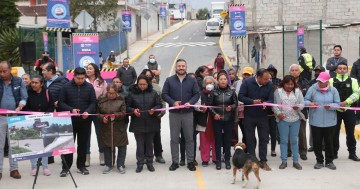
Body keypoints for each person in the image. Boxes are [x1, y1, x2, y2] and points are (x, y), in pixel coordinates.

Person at [162, 59, 200, 172]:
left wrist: (191, 103)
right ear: (176, 67)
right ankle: (175, 162)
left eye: (183, 66)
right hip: (174, 114)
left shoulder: (192, 81)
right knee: (174, 139)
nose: (181, 68)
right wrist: (173, 102)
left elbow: (197, 94)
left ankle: (190, 161)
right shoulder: (169, 80)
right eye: (179, 66)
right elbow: (164, 94)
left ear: (186, 67)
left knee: (189, 138)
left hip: (188, 113)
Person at [58, 67, 96, 176]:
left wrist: (87, 112)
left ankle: (81, 166)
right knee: (68, 144)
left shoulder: (89, 87)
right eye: (78, 78)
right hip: (69, 120)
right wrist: (71, 110)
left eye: (82, 78)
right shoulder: (66, 87)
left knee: (83, 144)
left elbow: (93, 103)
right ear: (73, 76)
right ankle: (65, 167)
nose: (80, 80)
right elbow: (61, 102)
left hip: (84, 120)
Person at [238, 68, 273, 171]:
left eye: (268, 79)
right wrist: (251, 101)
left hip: (263, 116)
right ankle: (253, 160)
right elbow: (240, 96)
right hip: (249, 116)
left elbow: (271, 99)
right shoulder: (247, 82)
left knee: (263, 138)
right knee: (250, 139)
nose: (267, 81)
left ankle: (263, 161)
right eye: (265, 79)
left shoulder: (269, 85)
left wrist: (267, 103)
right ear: (258, 77)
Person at [304, 72, 340, 170]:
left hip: (330, 122)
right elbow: (305, 100)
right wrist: (310, 103)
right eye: (319, 81)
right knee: (317, 142)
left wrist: (330, 106)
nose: (320, 83)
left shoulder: (333, 90)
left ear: (327, 82)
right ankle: (319, 161)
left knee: (329, 142)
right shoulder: (312, 89)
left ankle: (329, 161)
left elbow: (338, 104)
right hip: (315, 121)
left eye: (322, 82)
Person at [127, 75, 162, 173]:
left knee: (150, 144)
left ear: (148, 84)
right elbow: (126, 107)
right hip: (138, 123)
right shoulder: (131, 94)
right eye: (140, 84)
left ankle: (150, 163)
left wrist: (154, 110)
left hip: (151, 122)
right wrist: (133, 110)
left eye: (144, 84)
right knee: (140, 145)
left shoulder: (154, 93)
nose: (142, 86)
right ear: (137, 84)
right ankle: (140, 163)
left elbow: (159, 104)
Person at [0, 60, 28, 180]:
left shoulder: (18, 81)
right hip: (0, 118)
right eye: (0, 71)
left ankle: (14, 169)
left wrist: (21, 105)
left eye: (4, 71)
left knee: (14, 145)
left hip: (15, 117)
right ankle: (0, 170)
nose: (2, 74)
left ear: (10, 70)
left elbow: (24, 97)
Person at [329, 62, 360, 161]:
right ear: (336, 70)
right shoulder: (330, 81)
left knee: (350, 133)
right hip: (335, 110)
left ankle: (352, 153)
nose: (342, 70)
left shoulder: (353, 81)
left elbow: (357, 93)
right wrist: (337, 103)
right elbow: (328, 94)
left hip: (349, 109)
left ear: (347, 70)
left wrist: (346, 102)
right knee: (334, 133)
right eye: (340, 68)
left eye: (344, 68)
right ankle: (334, 153)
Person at [24, 75, 54, 176]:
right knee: (33, 144)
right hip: (31, 121)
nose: (33, 84)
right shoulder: (27, 93)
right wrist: (32, 115)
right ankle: (34, 167)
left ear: (41, 84)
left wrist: (46, 115)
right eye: (32, 82)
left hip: (45, 121)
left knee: (45, 144)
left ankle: (45, 167)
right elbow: (25, 107)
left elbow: (51, 105)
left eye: (36, 83)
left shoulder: (47, 92)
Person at [273, 75, 305, 170]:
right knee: (283, 141)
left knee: (294, 141)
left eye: (292, 84)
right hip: (283, 120)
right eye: (287, 84)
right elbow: (274, 105)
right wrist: (278, 113)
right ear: (283, 83)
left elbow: (302, 104)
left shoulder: (298, 91)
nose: (290, 86)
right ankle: (284, 161)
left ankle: (296, 161)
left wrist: (298, 107)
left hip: (295, 120)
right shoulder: (278, 92)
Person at [207, 71, 238, 170]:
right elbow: (209, 106)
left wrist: (231, 107)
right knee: (218, 140)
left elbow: (236, 103)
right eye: (221, 79)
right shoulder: (214, 92)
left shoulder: (232, 91)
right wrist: (214, 114)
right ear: (218, 81)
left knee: (228, 140)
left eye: (225, 79)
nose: (223, 81)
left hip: (229, 119)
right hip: (217, 119)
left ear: (227, 80)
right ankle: (218, 161)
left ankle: (228, 160)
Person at [42, 62, 69, 164]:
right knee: (47, 135)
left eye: (44, 70)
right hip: (47, 113)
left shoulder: (63, 81)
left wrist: (60, 101)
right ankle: (48, 158)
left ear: (50, 71)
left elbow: (68, 94)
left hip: (60, 113)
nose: (42, 72)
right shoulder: (43, 82)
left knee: (61, 136)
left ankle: (65, 160)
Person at [97, 84, 128, 174]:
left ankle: (120, 165)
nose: (111, 95)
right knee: (107, 146)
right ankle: (108, 165)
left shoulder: (121, 99)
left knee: (122, 146)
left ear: (116, 92)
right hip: (106, 127)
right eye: (109, 93)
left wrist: (116, 115)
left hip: (119, 127)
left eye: (113, 93)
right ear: (106, 91)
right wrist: (102, 118)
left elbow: (124, 112)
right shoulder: (101, 99)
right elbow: (97, 113)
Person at [141, 69, 166, 164]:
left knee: (156, 136)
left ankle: (158, 154)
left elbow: (162, 101)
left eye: (149, 75)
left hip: (155, 116)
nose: (147, 77)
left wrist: (162, 112)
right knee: (142, 137)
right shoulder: (137, 87)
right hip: (142, 117)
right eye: (145, 75)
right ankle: (143, 155)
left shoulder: (157, 87)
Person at [85, 63, 108, 167]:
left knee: (100, 134)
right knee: (86, 135)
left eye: (90, 68)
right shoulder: (83, 81)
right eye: (87, 68)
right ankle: (87, 157)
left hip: (99, 111)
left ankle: (102, 156)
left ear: (95, 70)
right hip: (86, 110)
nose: (88, 70)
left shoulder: (102, 82)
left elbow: (106, 95)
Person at [194, 76, 217, 167]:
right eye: (207, 83)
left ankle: (216, 158)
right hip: (203, 119)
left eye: (211, 83)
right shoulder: (200, 94)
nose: (209, 85)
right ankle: (205, 159)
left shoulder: (217, 93)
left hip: (215, 119)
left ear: (214, 84)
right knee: (204, 140)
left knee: (216, 139)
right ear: (204, 84)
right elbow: (196, 105)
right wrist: (200, 108)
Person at [289, 64, 310, 160]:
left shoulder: (305, 82)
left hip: (302, 111)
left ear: (299, 72)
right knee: (288, 132)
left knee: (301, 133)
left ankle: (302, 152)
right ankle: (289, 151)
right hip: (288, 111)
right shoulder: (285, 82)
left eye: (296, 70)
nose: (294, 72)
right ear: (289, 72)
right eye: (292, 70)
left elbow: (308, 96)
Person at [233, 67, 254, 147]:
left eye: (248, 75)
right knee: (240, 131)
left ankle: (249, 150)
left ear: (252, 75)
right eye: (245, 74)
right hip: (238, 112)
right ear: (242, 74)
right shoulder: (236, 83)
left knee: (247, 132)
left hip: (248, 111)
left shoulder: (253, 84)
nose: (246, 76)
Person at [308, 65, 326, 152]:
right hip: (314, 109)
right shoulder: (311, 83)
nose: (317, 73)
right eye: (316, 71)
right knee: (313, 129)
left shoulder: (328, 83)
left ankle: (323, 145)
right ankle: (313, 145)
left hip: (325, 110)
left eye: (320, 71)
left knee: (324, 128)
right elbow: (308, 96)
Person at [267, 64, 282, 157]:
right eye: (269, 71)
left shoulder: (279, 82)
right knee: (264, 134)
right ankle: (264, 150)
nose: (271, 73)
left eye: (272, 71)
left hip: (274, 112)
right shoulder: (263, 84)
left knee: (274, 132)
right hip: (264, 112)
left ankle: (273, 149)